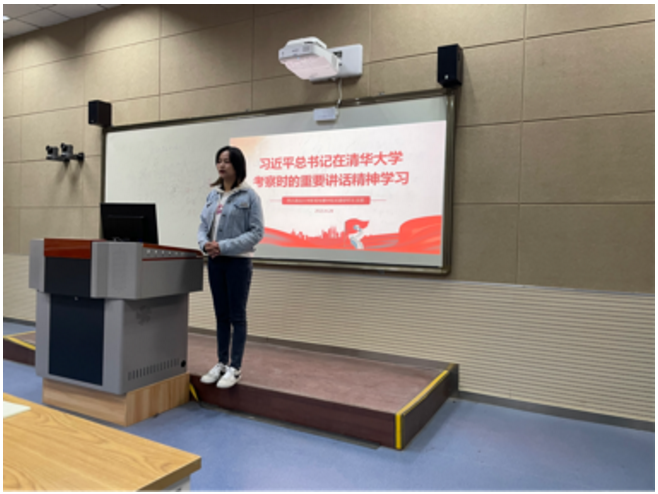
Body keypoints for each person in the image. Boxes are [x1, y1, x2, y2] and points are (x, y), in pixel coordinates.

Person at [197, 145, 264, 389]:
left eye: (227, 161)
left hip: (238, 262)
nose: (222, 165)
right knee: (221, 315)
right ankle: (221, 363)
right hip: (215, 261)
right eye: (219, 160)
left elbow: (256, 232)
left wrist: (222, 246)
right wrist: (205, 245)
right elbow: (202, 226)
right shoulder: (213, 195)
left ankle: (235, 367)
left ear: (237, 165)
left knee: (237, 315)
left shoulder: (249, 196)